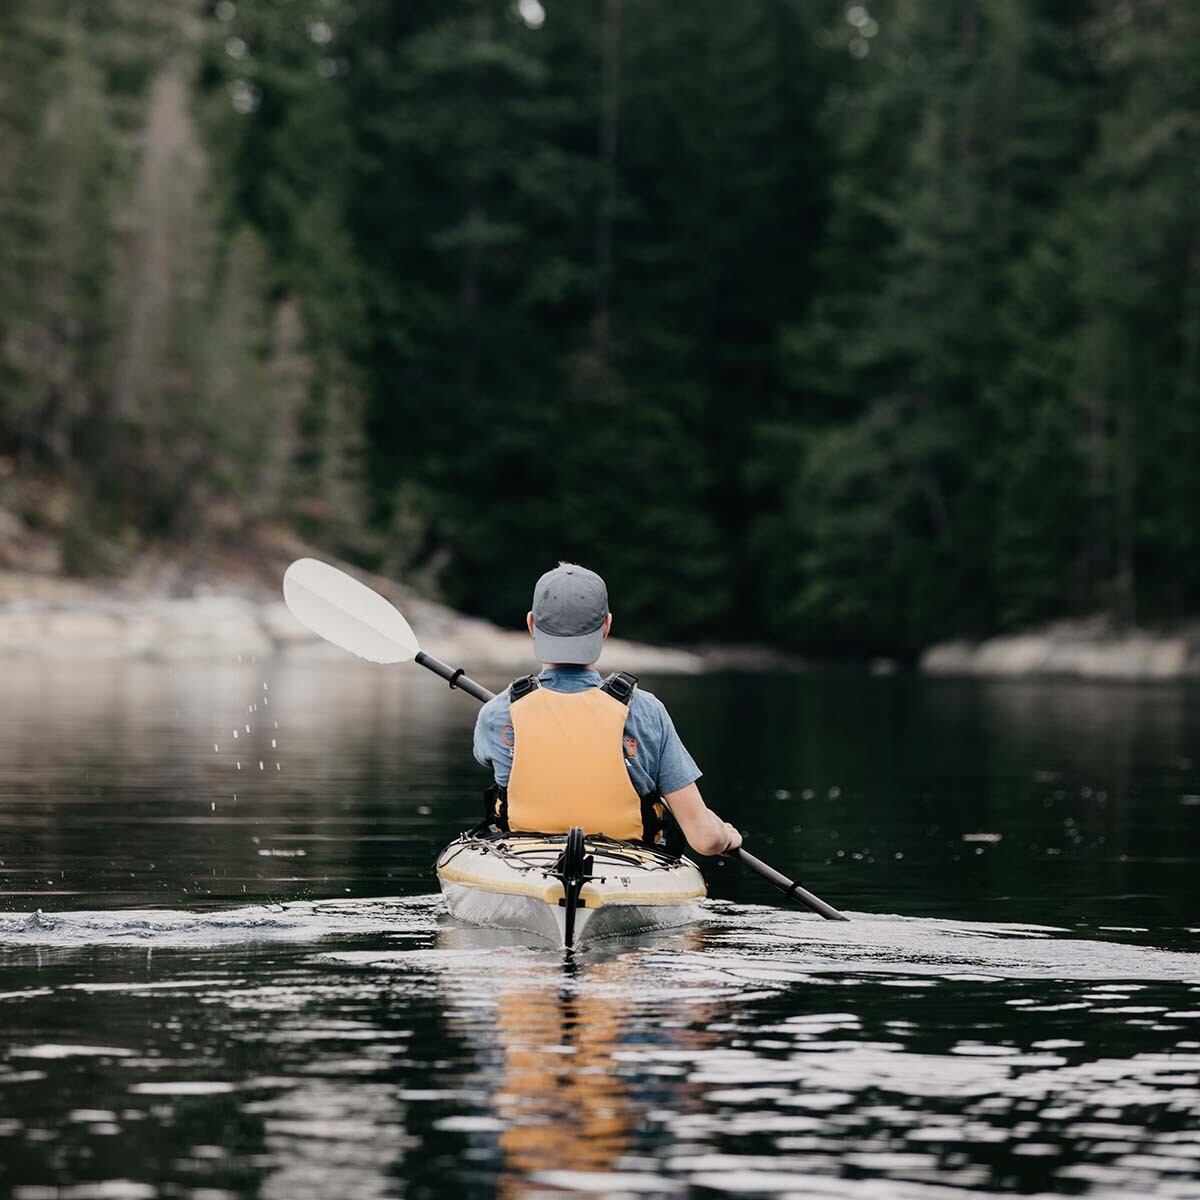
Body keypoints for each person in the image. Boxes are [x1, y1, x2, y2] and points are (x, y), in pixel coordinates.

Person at [473, 563, 742, 857]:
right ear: (606, 626)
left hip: (523, 861)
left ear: (531, 624)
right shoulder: (647, 711)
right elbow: (705, 840)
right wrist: (726, 836)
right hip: (628, 864)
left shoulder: (497, 712)